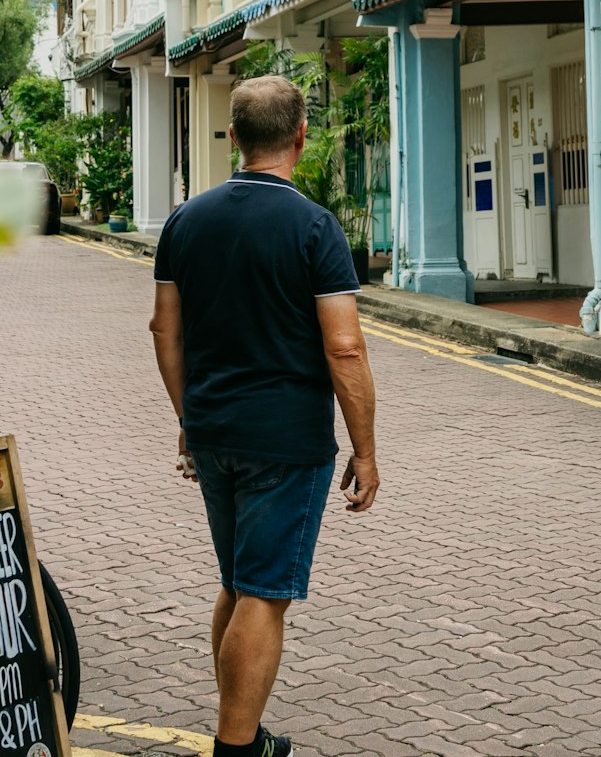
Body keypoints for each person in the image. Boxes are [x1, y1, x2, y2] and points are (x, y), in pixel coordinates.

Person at [150, 74, 379, 757]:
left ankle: (239, 729)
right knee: (264, 591)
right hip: (286, 439)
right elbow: (344, 345)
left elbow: (165, 332)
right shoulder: (313, 225)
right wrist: (365, 450)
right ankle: (238, 748)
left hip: (215, 430)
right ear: (300, 138)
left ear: (234, 138)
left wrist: (188, 417)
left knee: (237, 581)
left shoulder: (186, 220)